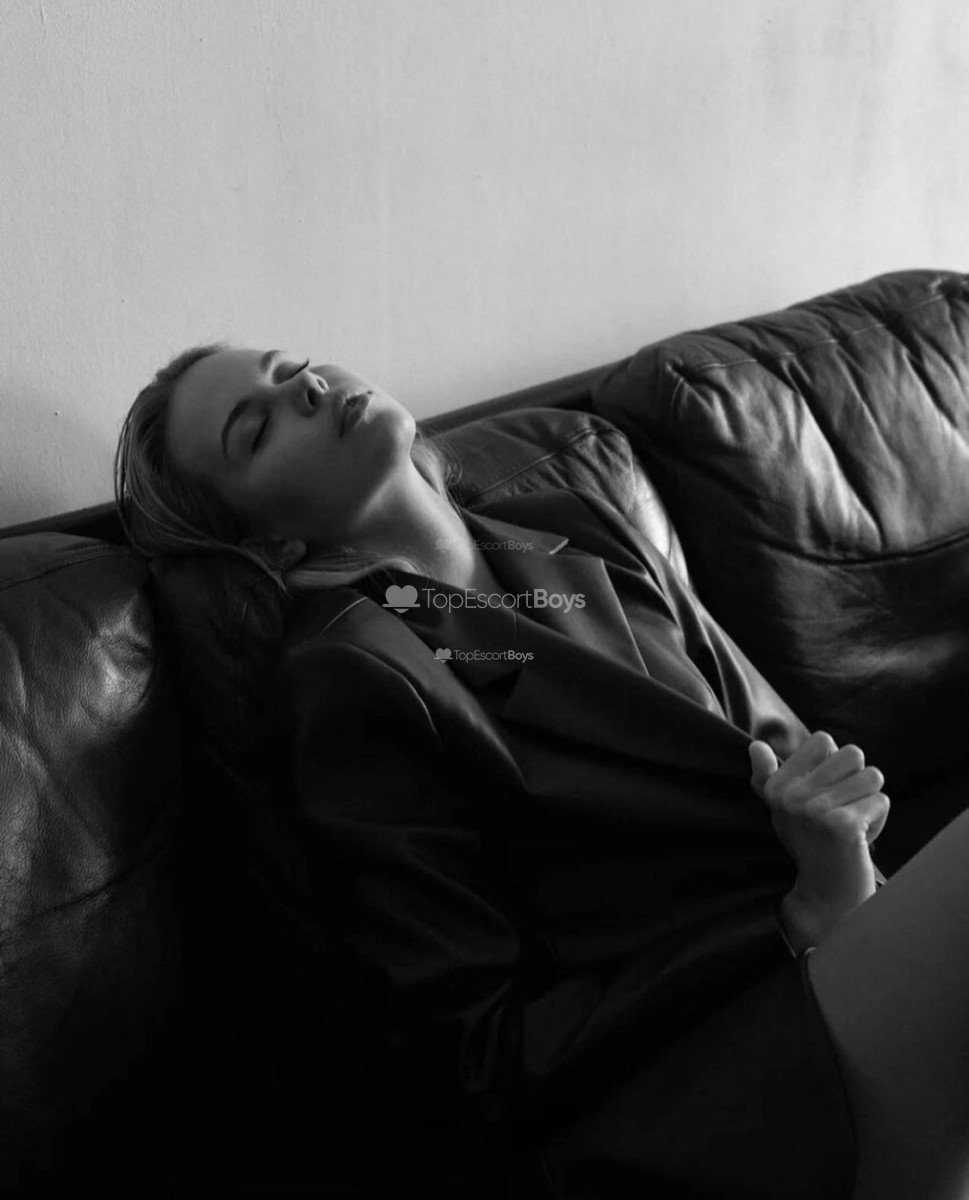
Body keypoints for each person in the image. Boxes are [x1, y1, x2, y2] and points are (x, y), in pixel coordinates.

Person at [114, 344, 969, 1200]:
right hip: (696, 1083)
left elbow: (786, 748)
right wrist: (793, 919)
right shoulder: (352, 672)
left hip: (842, 947)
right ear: (268, 538)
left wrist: (839, 858)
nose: (305, 388)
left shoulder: (577, 524)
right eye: (256, 429)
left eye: (291, 366)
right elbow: (478, 1056)